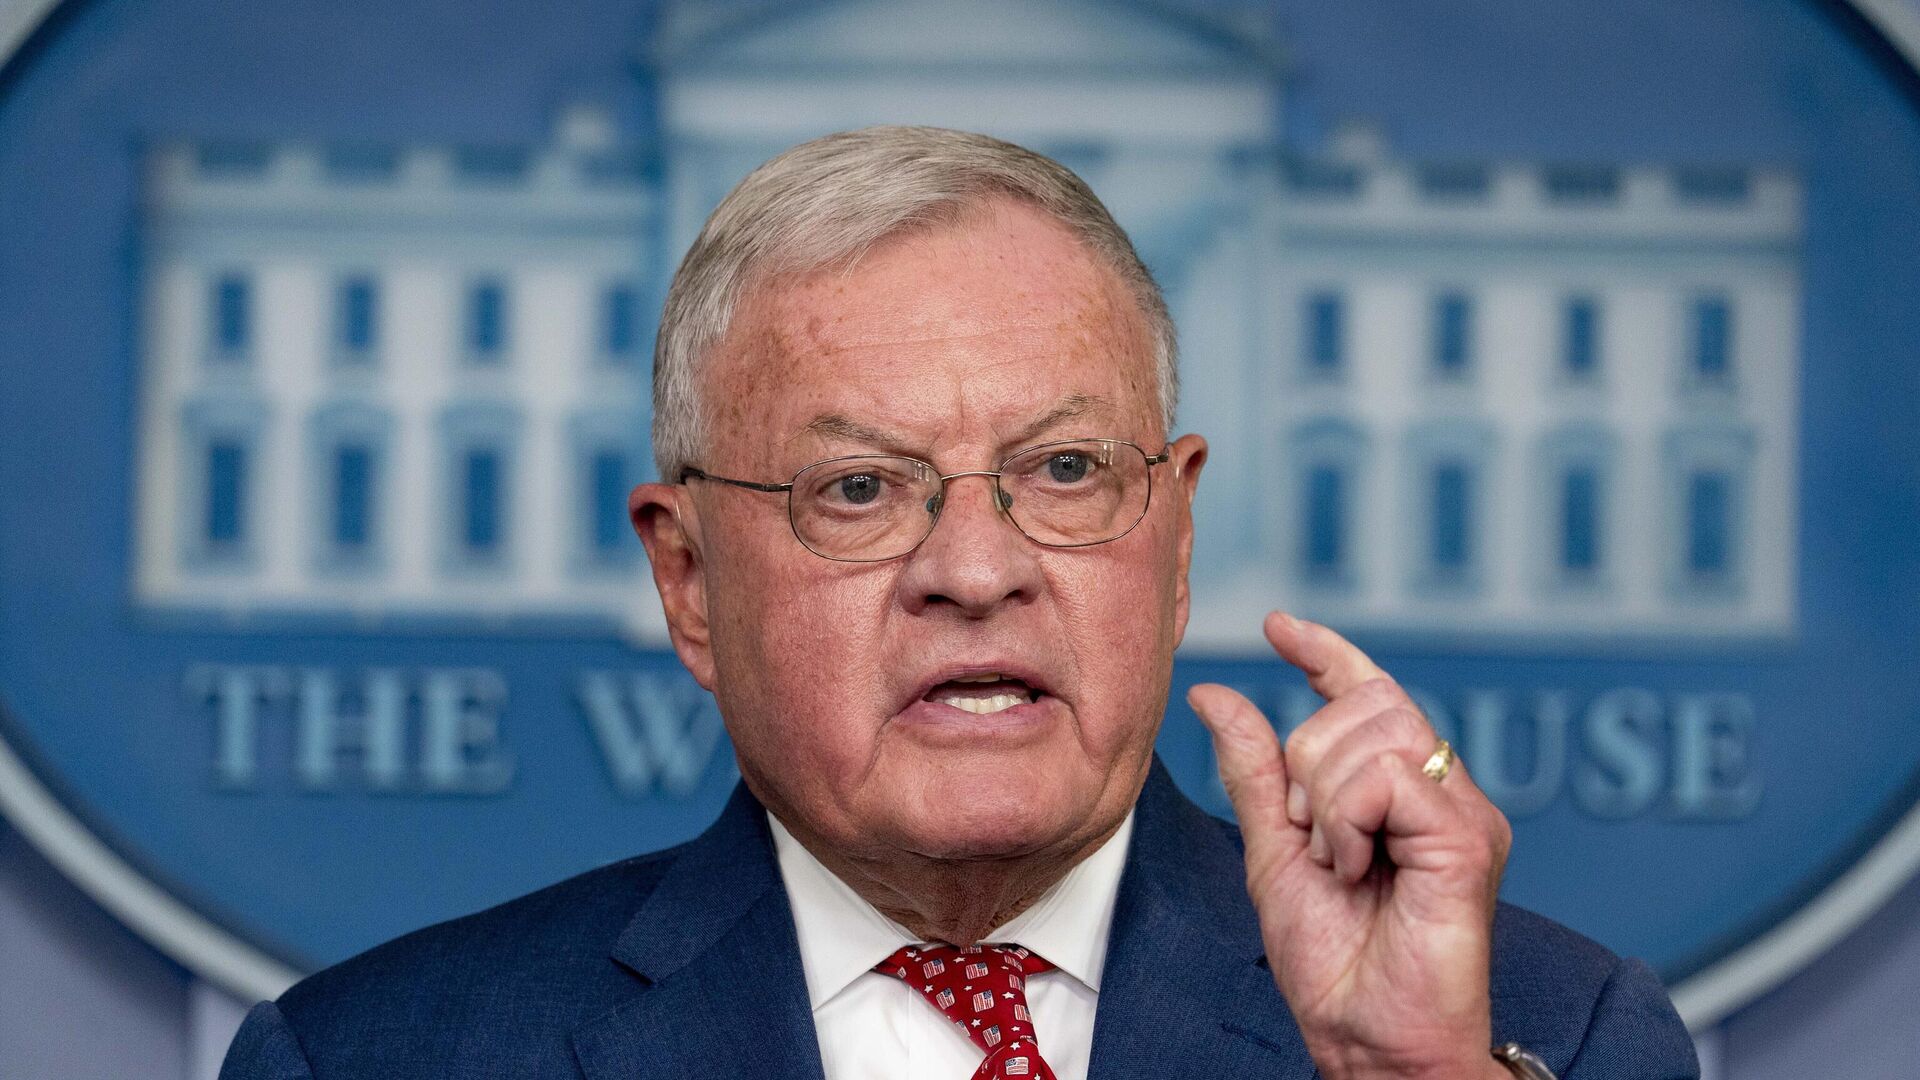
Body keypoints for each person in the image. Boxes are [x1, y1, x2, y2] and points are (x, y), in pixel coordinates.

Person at [220, 126, 1697, 1080]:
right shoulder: (375, 1060)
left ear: (1177, 535)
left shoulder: (1548, 1036)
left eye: (1064, 470)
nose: (977, 570)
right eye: (860, 488)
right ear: (689, 579)